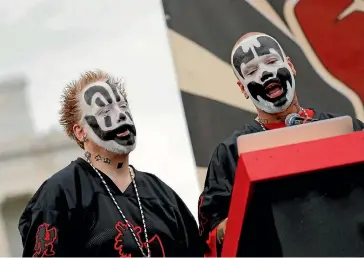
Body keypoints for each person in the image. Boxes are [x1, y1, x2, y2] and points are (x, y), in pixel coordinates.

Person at [197, 32, 364, 257]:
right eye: (251, 71)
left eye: (271, 61)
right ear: (243, 88)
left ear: (291, 66)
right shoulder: (230, 154)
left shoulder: (347, 129)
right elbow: (209, 238)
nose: (266, 73)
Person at [19, 70, 203, 257]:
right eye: (105, 111)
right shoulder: (61, 195)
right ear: (81, 132)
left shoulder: (163, 195)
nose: (121, 115)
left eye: (123, 106)